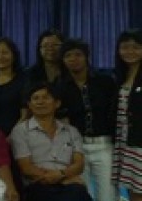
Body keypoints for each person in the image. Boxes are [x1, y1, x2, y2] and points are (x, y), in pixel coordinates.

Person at [55, 39, 116, 201]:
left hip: (104, 145)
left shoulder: (105, 81)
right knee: (82, 193)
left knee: (108, 195)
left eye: (78, 54)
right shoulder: (60, 86)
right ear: (63, 60)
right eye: (68, 55)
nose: (73, 59)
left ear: (86, 57)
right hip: (76, 148)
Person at [10, 82, 91, 201]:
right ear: (29, 105)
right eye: (35, 98)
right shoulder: (20, 131)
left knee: (79, 193)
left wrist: (62, 174)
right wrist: (60, 177)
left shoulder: (71, 131)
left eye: (46, 97)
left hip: (68, 185)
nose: (40, 102)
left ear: (57, 103)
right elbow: (26, 167)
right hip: (37, 185)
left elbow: (79, 164)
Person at [114, 29, 142, 201]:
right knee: (133, 188)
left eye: (136, 47)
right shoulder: (119, 75)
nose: (130, 51)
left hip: (140, 141)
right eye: (125, 47)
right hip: (125, 139)